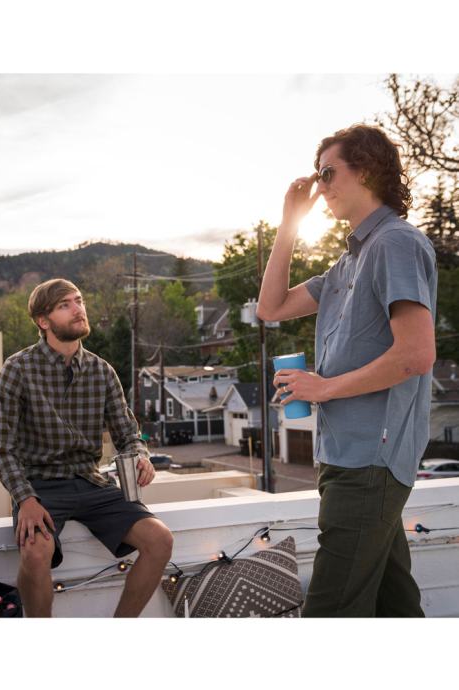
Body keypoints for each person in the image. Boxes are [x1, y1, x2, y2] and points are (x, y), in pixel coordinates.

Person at [257, 124, 437, 617]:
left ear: (367, 170)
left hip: (369, 463)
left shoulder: (395, 243)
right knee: (395, 604)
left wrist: (323, 388)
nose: (320, 186)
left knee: (330, 613)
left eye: (328, 173)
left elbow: (416, 355)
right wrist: (289, 223)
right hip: (347, 459)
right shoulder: (348, 262)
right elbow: (271, 307)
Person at [0, 278, 173, 617]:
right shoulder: (17, 369)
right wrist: (25, 499)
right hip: (40, 486)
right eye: (65, 305)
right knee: (35, 552)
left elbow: (128, 435)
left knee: (160, 540)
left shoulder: (102, 371)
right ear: (43, 321)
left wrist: (139, 456)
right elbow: (3, 448)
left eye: (79, 301)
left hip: (92, 483)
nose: (78, 309)